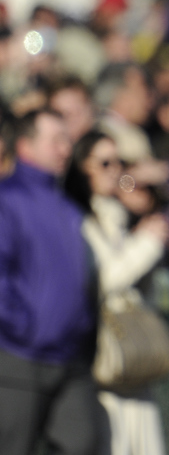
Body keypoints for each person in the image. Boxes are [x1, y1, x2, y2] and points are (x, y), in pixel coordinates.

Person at [66, 131, 169, 455]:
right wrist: (148, 242)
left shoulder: (118, 214)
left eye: (120, 162)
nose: (115, 170)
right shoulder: (80, 218)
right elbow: (107, 279)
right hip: (106, 353)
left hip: (133, 355)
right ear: (83, 169)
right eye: (105, 162)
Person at [0, 109, 99, 455]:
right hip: (18, 358)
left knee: (84, 440)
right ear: (25, 145)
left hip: (69, 358)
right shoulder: (7, 200)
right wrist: (22, 327)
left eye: (67, 140)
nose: (65, 149)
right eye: (55, 140)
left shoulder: (67, 206)